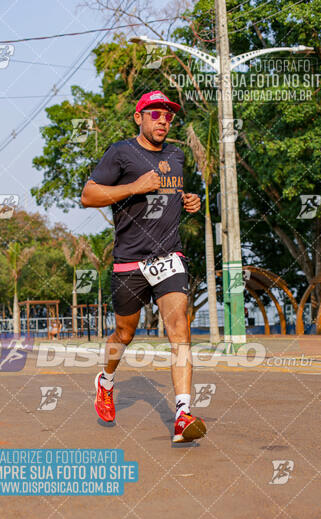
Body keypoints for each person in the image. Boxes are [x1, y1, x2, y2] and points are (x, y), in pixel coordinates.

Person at [82, 90, 206, 443]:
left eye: (168, 115)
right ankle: (105, 381)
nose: (163, 120)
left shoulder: (176, 155)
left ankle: (182, 414)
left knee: (179, 328)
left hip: (169, 256)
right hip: (128, 262)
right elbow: (89, 196)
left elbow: (168, 198)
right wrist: (134, 186)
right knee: (124, 334)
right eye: (155, 114)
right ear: (139, 117)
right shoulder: (121, 152)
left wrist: (188, 201)